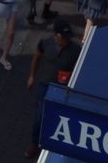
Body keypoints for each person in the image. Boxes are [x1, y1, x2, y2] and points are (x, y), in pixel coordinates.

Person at [26, 21, 81, 159]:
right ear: (56, 36)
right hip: (44, 86)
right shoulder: (45, 43)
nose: (67, 40)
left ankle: (51, 143)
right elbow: (36, 58)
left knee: (58, 118)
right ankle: (34, 143)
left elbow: (79, 69)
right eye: (65, 37)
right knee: (39, 117)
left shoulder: (76, 50)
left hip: (62, 89)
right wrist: (32, 76)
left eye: (69, 37)